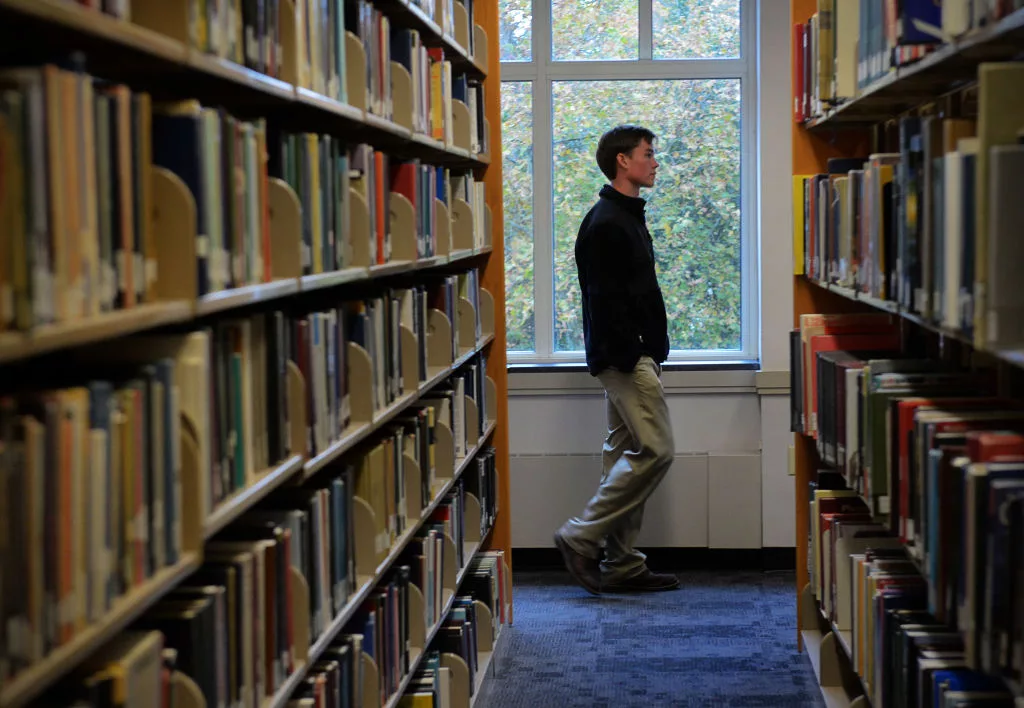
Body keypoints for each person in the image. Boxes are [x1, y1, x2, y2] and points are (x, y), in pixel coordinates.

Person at [553, 125, 679, 595]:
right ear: (623, 161)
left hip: (629, 355)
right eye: (648, 153)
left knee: (623, 457)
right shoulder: (606, 221)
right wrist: (635, 354)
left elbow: (639, 292)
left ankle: (623, 564)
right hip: (625, 359)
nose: (655, 162)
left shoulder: (625, 216)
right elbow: (603, 302)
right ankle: (579, 535)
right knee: (658, 451)